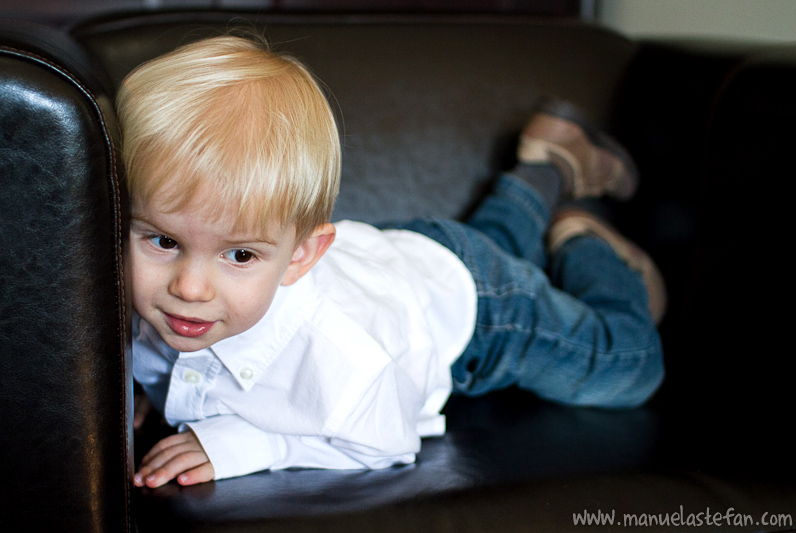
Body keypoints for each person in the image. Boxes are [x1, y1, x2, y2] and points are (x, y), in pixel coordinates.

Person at [120, 34, 665, 489]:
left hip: (483, 315)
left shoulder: (342, 359)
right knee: (492, 240)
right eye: (163, 241)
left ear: (300, 256)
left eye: (239, 254)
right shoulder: (139, 305)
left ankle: (584, 240)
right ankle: (547, 163)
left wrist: (254, 443)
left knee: (629, 367)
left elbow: (391, 442)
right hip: (407, 257)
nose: (189, 288)